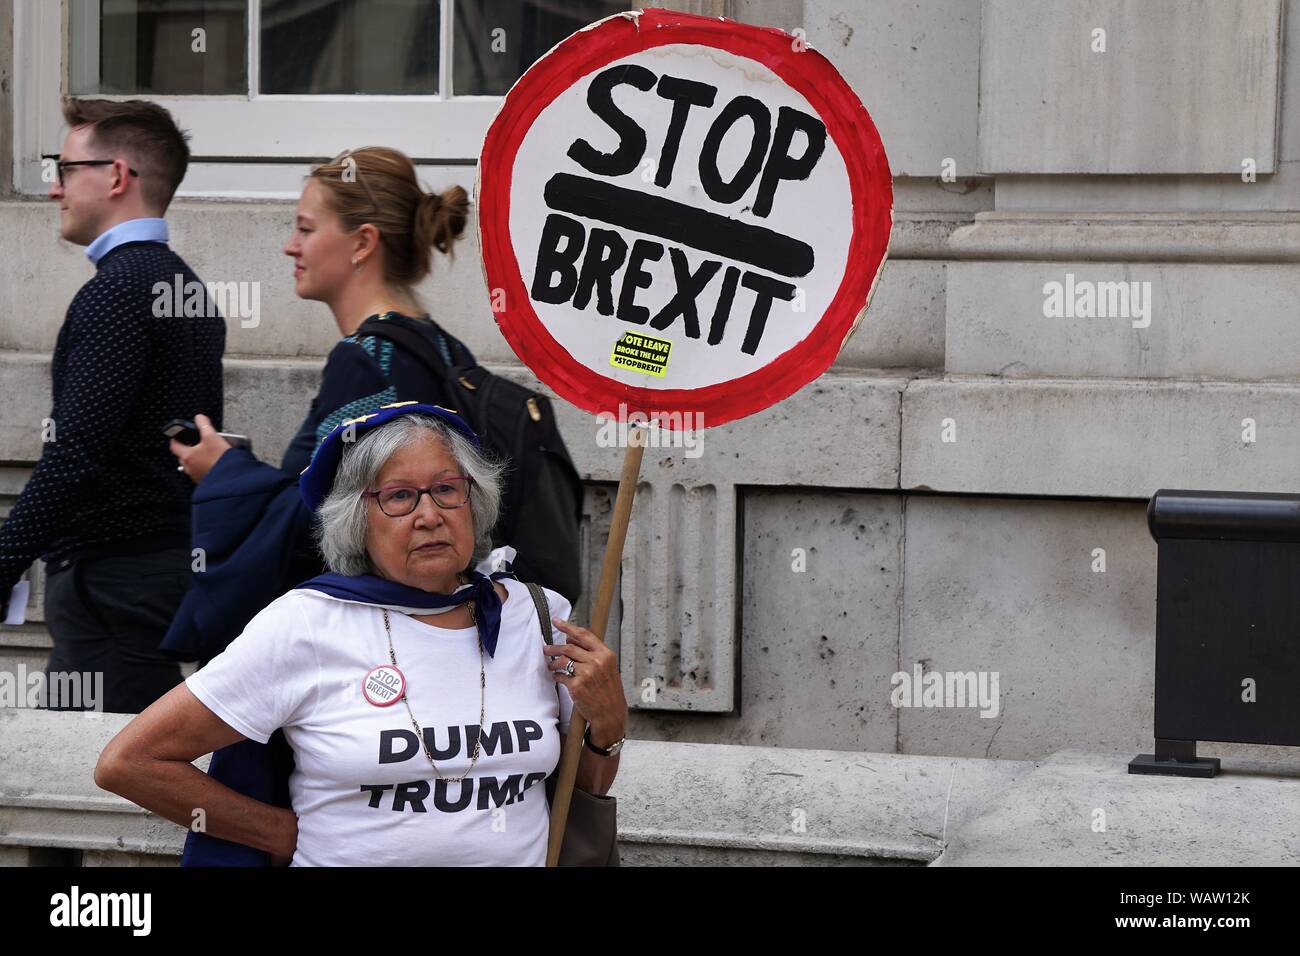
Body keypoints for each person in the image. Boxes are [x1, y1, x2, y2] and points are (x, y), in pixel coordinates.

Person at [96, 403, 627, 866]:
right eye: (398, 497)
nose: (429, 516)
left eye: (446, 490)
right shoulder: (306, 624)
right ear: (358, 521)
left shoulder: (538, 616)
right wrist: (278, 833)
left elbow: (582, 795)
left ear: (475, 501)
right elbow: (131, 763)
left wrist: (607, 726)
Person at [0, 97, 223, 713]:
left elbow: (76, 452)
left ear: (116, 176)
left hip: (113, 584)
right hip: (153, 577)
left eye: (65, 170)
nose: (54, 190)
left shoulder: (116, 293)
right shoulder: (187, 290)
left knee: (98, 786)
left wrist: (6, 559)